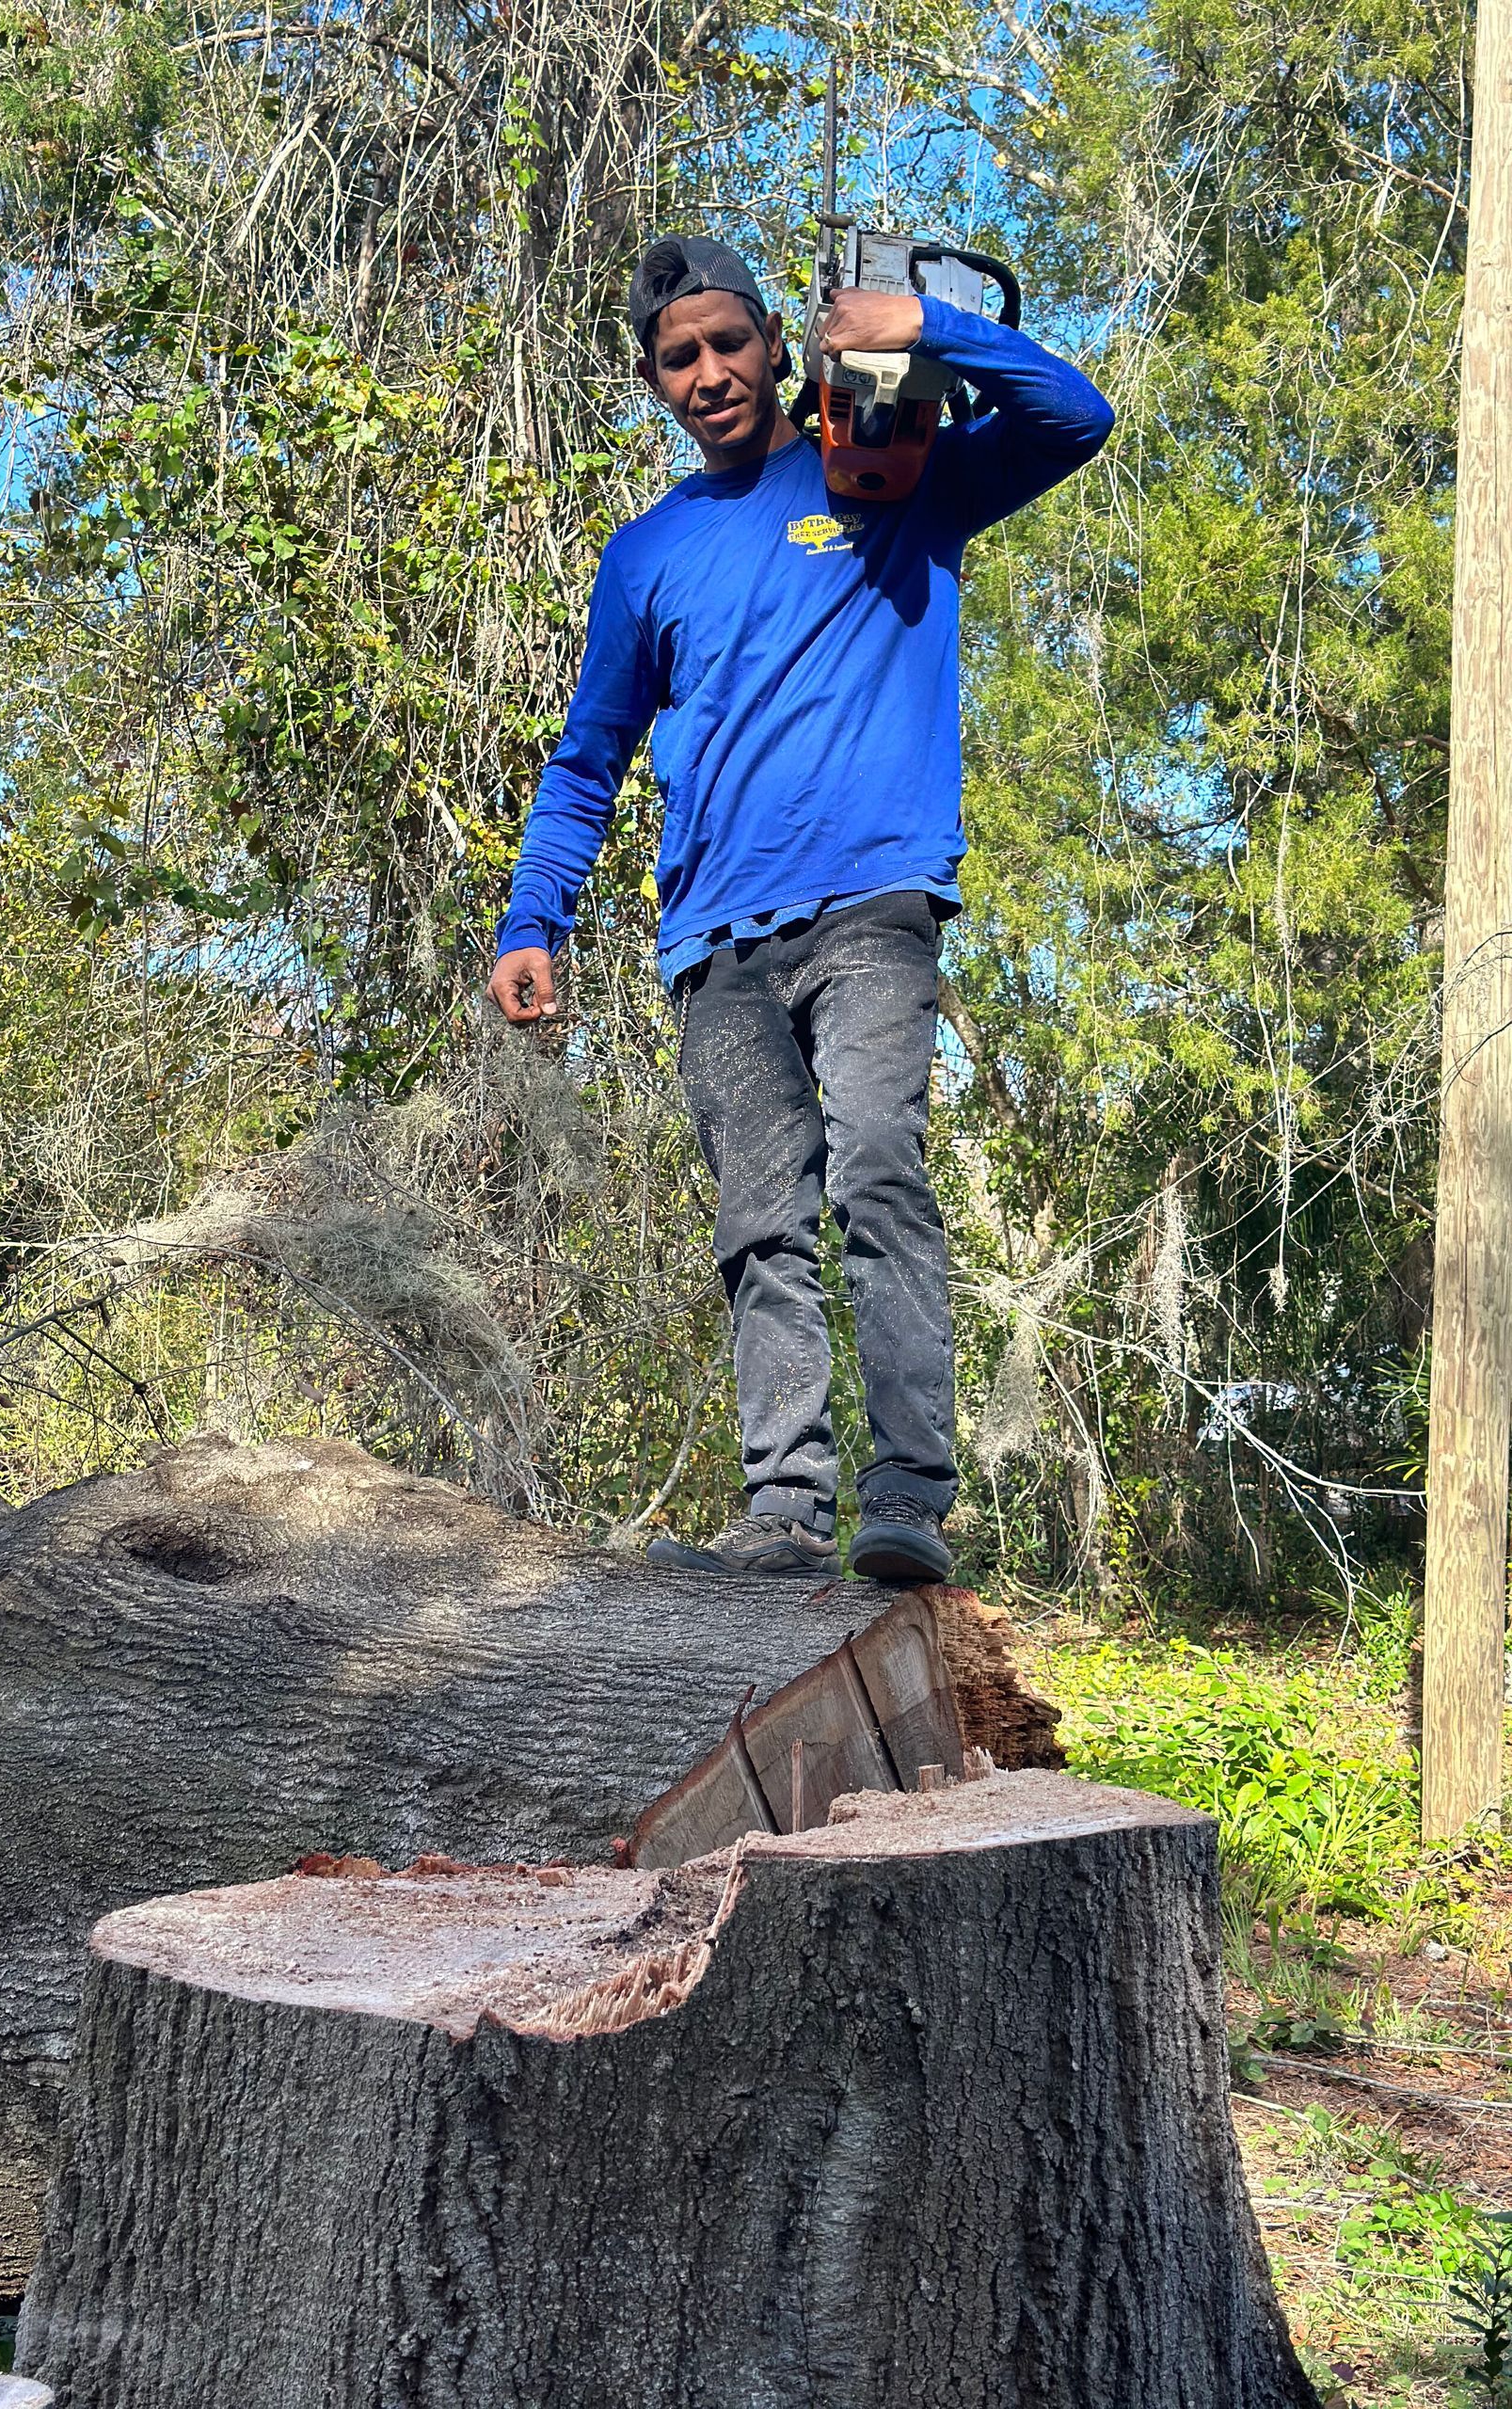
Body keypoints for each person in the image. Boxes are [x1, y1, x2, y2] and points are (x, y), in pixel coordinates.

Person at [487, 233, 1113, 1581]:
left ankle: (907, 1501)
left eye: (730, 343)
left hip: (874, 903)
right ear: (654, 382)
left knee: (879, 1165)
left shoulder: (889, 469)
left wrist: (927, 329)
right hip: (715, 939)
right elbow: (590, 758)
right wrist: (533, 919)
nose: (709, 373)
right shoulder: (647, 555)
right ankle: (781, 1511)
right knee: (760, 1222)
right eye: (679, 359)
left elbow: (1076, 417)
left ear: (778, 345)